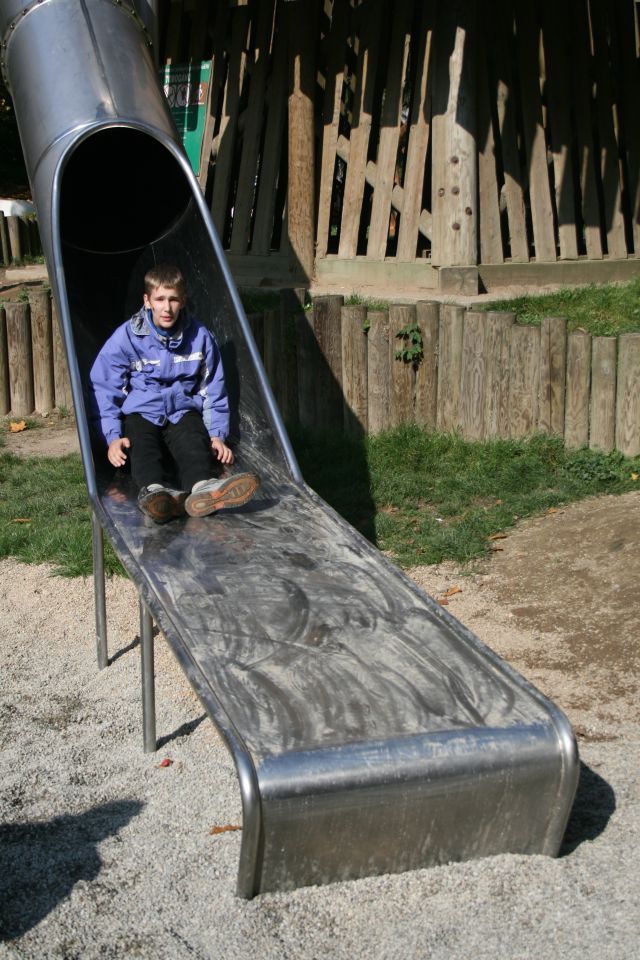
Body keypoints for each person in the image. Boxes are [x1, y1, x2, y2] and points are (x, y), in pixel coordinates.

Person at [89, 263, 259, 523]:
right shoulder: (127, 337)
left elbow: (213, 389)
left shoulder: (200, 337)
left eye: (173, 299)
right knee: (140, 443)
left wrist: (217, 436)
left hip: (181, 409)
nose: (166, 308)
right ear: (147, 301)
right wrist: (113, 437)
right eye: (159, 299)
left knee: (193, 439)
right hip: (142, 411)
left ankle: (203, 488)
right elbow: (105, 387)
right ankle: (154, 493)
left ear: (183, 301)